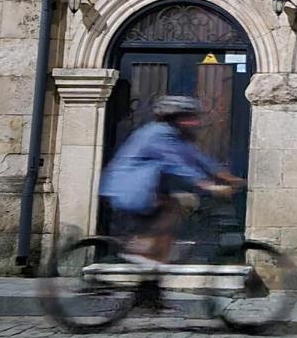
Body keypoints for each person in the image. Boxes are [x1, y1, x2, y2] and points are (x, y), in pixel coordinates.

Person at [99, 95, 241, 265]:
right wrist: (207, 185)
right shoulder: (158, 134)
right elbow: (177, 163)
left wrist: (229, 177)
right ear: (174, 118)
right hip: (130, 189)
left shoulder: (176, 135)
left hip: (143, 189)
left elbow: (198, 157)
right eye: (188, 118)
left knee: (176, 206)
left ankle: (151, 262)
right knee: (175, 206)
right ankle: (144, 251)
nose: (194, 123)